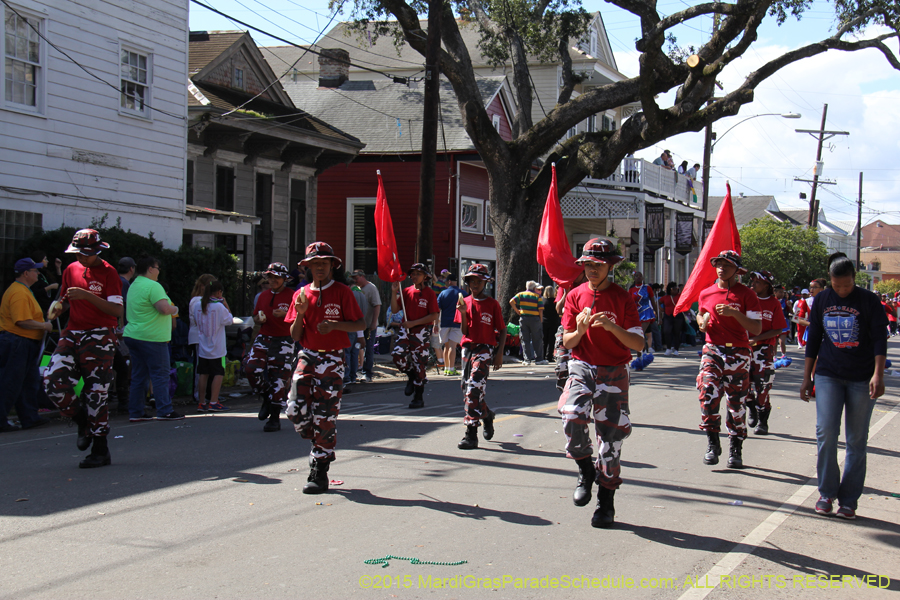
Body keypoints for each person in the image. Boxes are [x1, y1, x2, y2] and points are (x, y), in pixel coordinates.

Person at [558, 239, 644, 528]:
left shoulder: (623, 297)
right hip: (582, 367)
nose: (592, 270)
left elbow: (638, 343)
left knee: (610, 444)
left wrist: (611, 326)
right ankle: (584, 468)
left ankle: (605, 503)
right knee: (571, 414)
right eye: (587, 265)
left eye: (598, 264)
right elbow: (568, 341)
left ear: (611, 266)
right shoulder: (574, 295)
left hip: (613, 372)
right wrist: (580, 330)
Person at [802, 253, 887, 520]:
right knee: (825, 432)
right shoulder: (822, 300)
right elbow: (814, 337)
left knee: (856, 440)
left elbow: (879, 340)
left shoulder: (869, 300)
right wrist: (807, 377)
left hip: (862, 377)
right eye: (837, 285)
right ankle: (826, 492)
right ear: (830, 280)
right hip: (828, 373)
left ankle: (849, 500)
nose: (841, 290)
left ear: (854, 278)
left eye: (847, 286)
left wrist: (878, 374)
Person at [284, 242, 365, 494]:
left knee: (325, 414)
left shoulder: (343, 292)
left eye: (324, 263)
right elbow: (295, 335)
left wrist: (335, 326)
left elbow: (359, 322)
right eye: (314, 263)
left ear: (332, 266)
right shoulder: (301, 293)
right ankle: (319, 442)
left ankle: (319, 468)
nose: (319, 267)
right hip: (307, 355)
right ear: (307, 267)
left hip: (333, 359)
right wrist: (300, 314)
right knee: (294, 409)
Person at [44, 229, 123, 468]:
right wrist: (60, 307)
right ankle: (82, 421)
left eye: (86, 254)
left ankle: (100, 450)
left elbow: (117, 311)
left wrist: (87, 296)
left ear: (98, 251)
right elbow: (66, 300)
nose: (82, 258)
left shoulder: (109, 273)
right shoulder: (70, 270)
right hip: (72, 332)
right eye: (78, 254)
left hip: (100, 335)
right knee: (52, 380)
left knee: (96, 392)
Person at [695, 250, 762, 469]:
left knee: (736, 403)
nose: (722, 268)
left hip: (738, 353)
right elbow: (700, 313)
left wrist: (735, 313)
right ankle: (713, 443)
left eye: (727, 265)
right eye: (718, 264)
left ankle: (736, 446)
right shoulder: (707, 293)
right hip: (712, 350)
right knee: (708, 394)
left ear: (737, 270)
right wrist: (701, 322)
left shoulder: (747, 295)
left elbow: (757, 327)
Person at [123, 255, 182, 423]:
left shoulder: (134, 285)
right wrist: (174, 308)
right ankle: (165, 409)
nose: (158, 272)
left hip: (134, 335)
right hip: (153, 337)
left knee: (139, 375)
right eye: (157, 268)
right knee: (160, 374)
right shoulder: (153, 286)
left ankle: (136, 411)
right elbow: (163, 308)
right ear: (150, 268)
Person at [455, 264, 506, 450]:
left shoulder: (492, 304)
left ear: (485, 282)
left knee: (473, 390)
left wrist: (499, 354)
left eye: (478, 281)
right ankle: (487, 415)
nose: (474, 284)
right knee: (466, 390)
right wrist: (462, 313)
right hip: (467, 348)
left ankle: (471, 434)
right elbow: (464, 331)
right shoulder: (464, 302)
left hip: (485, 349)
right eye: (471, 281)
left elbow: (502, 329)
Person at [0, 258, 53, 432]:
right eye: (35, 271)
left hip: (23, 341)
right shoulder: (19, 293)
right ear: (26, 273)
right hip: (18, 341)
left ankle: (29, 416)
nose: (38, 273)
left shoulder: (23, 290)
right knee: (11, 382)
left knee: (27, 381)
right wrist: (44, 325)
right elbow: (21, 321)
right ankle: (2, 419)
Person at [245, 263, 296, 432]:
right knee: (251, 368)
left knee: (279, 379)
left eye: (277, 277)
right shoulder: (262, 296)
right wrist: (258, 320)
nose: (273, 280)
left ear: (284, 279)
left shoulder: (292, 295)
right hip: (264, 337)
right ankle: (267, 396)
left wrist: (286, 315)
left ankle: (274, 418)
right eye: (270, 277)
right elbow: (256, 315)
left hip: (284, 340)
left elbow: (301, 317)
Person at [391, 263, 439, 409]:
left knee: (420, 363)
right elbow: (394, 309)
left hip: (421, 331)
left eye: (418, 274)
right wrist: (394, 292)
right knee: (397, 354)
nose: (414, 276)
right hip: (406, 330)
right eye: (412, 273)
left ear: (425, 277)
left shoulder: (430, 293)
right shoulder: (406, 291)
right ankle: (410, 375)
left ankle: (418, 397)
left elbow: (434, 314)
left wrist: (414, 323)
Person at [746, 271, 787, 436]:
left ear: (767, 285)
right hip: (745, 348)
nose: (753, 284)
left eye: (757, 282)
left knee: (762, 386)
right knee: (744, 384)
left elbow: (778, 328)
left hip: (764, 349)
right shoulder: (747, 300)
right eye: (753, 281)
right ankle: (751, 408)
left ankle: (763, 421)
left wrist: (758, 338)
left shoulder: (774, 303)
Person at [192, 280, 233, 413]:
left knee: (203, 373)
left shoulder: (197, 305)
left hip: (203, 345)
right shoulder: (219, 307)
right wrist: (225, 304)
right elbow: (229, 320)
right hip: (217, 347)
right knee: (218, 373)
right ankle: (214, 401)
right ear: (218, 292)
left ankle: (201, 402)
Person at [111, 256, 136, 415]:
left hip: (112, 327)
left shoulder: (115, 281)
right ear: (132, 269)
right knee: (124, 363)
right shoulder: (124, 284)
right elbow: (121, 305)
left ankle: (116, 395)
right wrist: (120, 326)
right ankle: (123, 399)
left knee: (117, 364)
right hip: (118, 328)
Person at [188, 274, 216, 403]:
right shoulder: (197, 300)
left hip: (207, 337)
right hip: (199, 337)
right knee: (201, 368)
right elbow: (199, 319)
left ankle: (207, 394)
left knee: (208, 368)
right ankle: (198, 394)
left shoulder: (206, 300)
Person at [349, 270, 382, 382]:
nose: (355, 280)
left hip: (368, 324)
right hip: (358, 325)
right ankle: (355, 371)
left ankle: (367, 373)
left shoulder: (371, 288)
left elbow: (377, 305)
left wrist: (373, 322)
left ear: (362, 276)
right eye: (353, 278)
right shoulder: (356, 289)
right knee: (356, 348)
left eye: (356, 278)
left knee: (368, 348)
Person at [436, 272, 465, 376]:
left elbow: (437, 310)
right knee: (453, 346)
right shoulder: (462, 293)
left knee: (446, 346)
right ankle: (452, 369)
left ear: (449, 281)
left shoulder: (443, 294)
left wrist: (435, 324)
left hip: (444, 323)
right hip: (457, 323)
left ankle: (446, 368)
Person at [509, 281, 545, 365]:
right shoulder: (537, 296)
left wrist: (517, 310)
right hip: (535, 319)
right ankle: (539, 359)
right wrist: (541, 319)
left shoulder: (521, 294)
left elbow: (511, 301)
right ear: (534, 288)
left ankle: (527, 360)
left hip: (524, 318)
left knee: (525, 339)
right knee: (537, 339)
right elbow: (540, 309)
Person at [343, 279, 369, 390]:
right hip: (359, 327)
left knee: (347, 352)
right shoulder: (361, 294)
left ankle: (347, 376)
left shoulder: (350, 294)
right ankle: (353, 376)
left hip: (350, 325)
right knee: (355, 352)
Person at [628, 272, 658, 359]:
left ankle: (640, 356)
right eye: (636, 276)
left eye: (640, 276)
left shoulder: (647, 288)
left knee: (640, 333)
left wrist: (657, 314)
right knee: (638, 334)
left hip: (646, 313)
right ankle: (643, 351)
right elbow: (629, 304)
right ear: (634, 278)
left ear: (643, 278)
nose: (638, 278)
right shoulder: (631, 290)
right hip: (636, 314)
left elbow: (653, 301)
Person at [28, 251, 59, 316]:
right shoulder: (34, 277)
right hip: (40, 307)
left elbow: (57, 284)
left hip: (47, 307)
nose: (47, 261)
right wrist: (49, 287)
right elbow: (34, 292)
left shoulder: (44, 273)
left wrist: (58, 268)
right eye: (45, 259)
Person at [660, 281, 685, 356]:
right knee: (667, 331)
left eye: (676, 288)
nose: (676, 290)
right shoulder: (666, 297)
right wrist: (661, 310)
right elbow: (658, 302)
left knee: (676, 332)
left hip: (678, 316)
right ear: (670, 289)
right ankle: (668, 348)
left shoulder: (680, 296)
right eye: (674, 288)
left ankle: (676, 349)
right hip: (668, 316)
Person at [541, 284, 560, 362]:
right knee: (551, 340)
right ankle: (549, 356)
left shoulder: (542, 300)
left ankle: (542, 355)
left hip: (544, 322)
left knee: (544, 339)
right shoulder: (555, 301)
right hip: (553, 322)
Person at [774, 285, 791, 356]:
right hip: (774, 324)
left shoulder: (786, 301)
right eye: (780, 292)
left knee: (782, 341)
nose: (782, 294)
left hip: (783, 324)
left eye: (783, 292)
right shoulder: (772, 301)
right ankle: (774, 357)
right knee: (774, 342)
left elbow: (791, 312)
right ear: (775, 292)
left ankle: (783, 355)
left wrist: (790, 306)